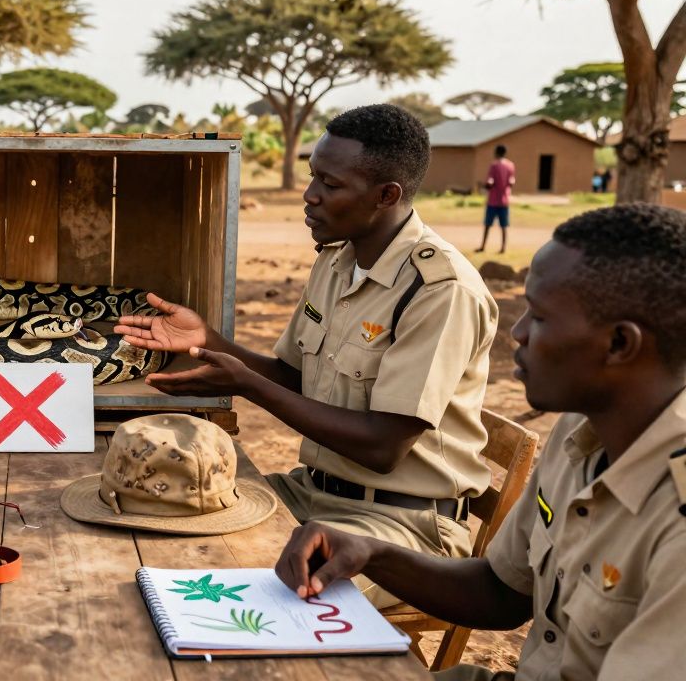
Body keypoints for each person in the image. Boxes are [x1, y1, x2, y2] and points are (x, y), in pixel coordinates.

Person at [274, 204, 686, 681]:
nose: (518, 332)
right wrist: (371, 552)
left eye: (541, 317)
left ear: (619, 344)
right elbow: (500, 593)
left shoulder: (673, 514)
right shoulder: (581, 433)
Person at [116, 104, 497, 608]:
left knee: (245, 600)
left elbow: (383, 447)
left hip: (398, 527)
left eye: (331, 185)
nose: (309, 195)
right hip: (310, 494)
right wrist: (208, 340)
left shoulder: (439, 291)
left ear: (387, 196)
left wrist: (248, 385)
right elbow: (295, 378)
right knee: (150, 516)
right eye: (313, 175)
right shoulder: (338, 260)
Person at [476, 145, 514, 254]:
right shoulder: (511, 165)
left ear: (496, 152)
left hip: (493, 201)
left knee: (488, 225)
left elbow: (490, 181)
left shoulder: (494, 165)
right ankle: (503, 248)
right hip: (504, 200)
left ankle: (483, 246)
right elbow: (512, 181)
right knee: (504, 226)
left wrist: (485, 186)